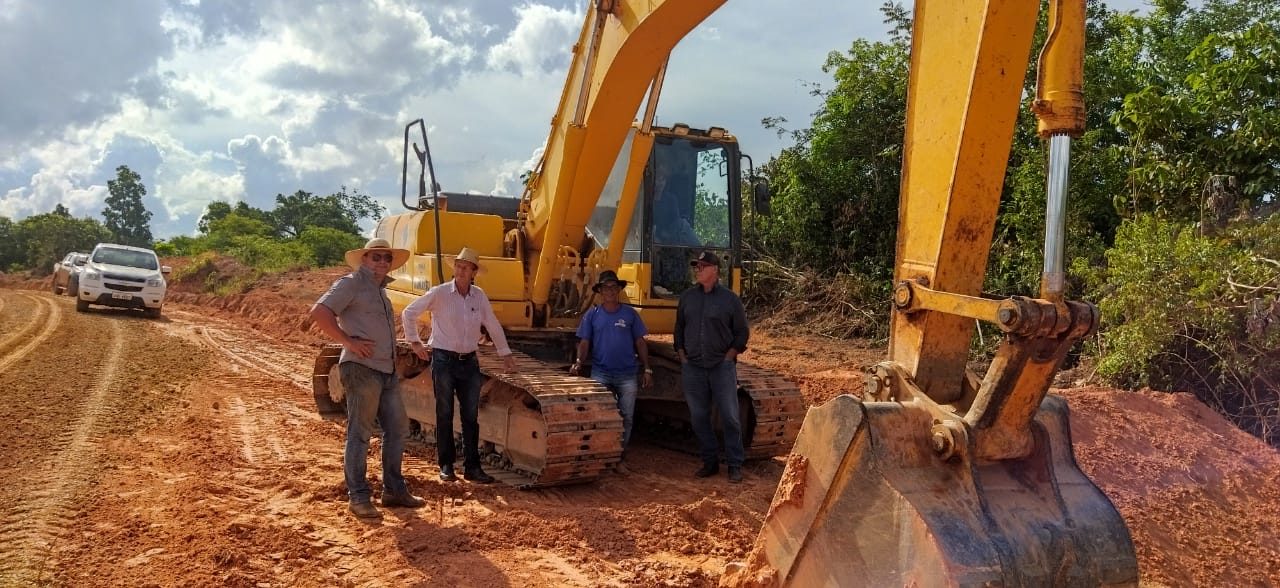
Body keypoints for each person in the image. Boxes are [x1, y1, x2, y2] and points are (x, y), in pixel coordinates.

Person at [310, 237, 425, 519]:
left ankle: (394, 490)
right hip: (361, 369)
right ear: (364, 259)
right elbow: (320, 312)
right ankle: (359, 497)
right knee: (360, 433)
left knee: (397, 429)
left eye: (387, 258)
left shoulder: (381, 291)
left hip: (386, 371)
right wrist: (349, 342)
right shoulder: (351, 284)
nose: (382, 262)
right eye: (376, 257)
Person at [402, 247, 517, 485]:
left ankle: (472, 467)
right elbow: (409, 312)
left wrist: (505, 353)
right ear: (454, 268)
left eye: (467, 267)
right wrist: (414, 342)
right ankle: (446, 465)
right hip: (443, 360)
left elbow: (492, 324)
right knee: (444, 413)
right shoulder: (440, 293)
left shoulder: (479, 296)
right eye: (459, 266)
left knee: (470, 415)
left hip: (469, 361)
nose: (462, 271)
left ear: (474, 272)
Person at [674, 250, 749, 483]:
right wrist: (682, 356)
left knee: (730, 417)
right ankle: (710, 462)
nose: (698, 270)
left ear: (715, 270)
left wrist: (729, 357)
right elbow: (679, 328)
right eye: (696, 266)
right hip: (694, 368)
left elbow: (742, 332)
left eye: (702, 266)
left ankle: (735, 465)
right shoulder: (688, 298)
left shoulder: (730, 300)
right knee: (699, 417)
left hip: (721, 367)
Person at [569, 270, 653, 473]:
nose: (610, 291)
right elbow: (585, 342)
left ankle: (619, 458)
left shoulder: (630, 314)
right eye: (606, 287)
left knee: (627, 417)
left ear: (619, 290)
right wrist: (579, 362)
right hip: (601, 373)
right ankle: (599, 455)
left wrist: (647, 368)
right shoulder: (593, 315)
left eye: (613, 287)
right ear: (600, 291)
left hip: (627, 374)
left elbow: (640, 342)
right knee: (599, 415)